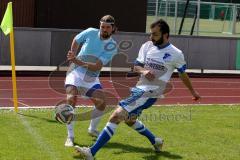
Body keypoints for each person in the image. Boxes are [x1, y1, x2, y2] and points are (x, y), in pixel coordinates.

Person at [74, 19, 201, 160]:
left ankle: (91, 152)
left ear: (166, 35)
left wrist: (193, 92)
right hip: (139, 89)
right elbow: (136, 66)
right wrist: (144, 71)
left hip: (150, 93)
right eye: (151, 34)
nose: (151, 37)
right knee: (129, 119)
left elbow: (183, 74)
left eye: (155, 35)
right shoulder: (147, 46)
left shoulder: (176, 53)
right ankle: (156, 141)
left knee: (116, 115)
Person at [64, 15, 118, 147]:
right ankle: (70, 137)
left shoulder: (113, 46)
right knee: (71, 99)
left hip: (91, 76)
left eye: (107, 27)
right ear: (99, 25)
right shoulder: (90, 32)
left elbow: (97, 66)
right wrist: (72, 53)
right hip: (75, 72)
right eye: (102, 26)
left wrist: (76, 60)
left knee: (102, 104)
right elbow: (76, 40)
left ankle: (92, 129)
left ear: (113, 28)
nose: (104, 29)